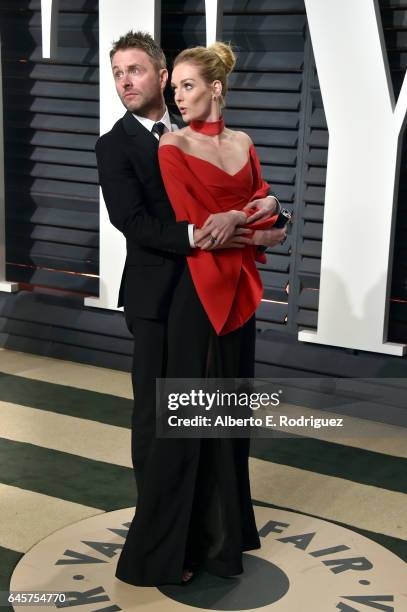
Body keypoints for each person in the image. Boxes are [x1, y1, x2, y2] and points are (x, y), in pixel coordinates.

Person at [95, 30, 287, 587]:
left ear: (161, 75)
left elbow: (250, 197)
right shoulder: (117, 145)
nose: (125, 81)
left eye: (134, 70)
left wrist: (270, 216)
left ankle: (209, 533)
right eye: (117, 73)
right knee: (160, 424)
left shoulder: (202, 133)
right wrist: (209, 236)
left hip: (216, 295)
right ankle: (163, 536)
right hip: (159, 300)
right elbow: (133, 222)